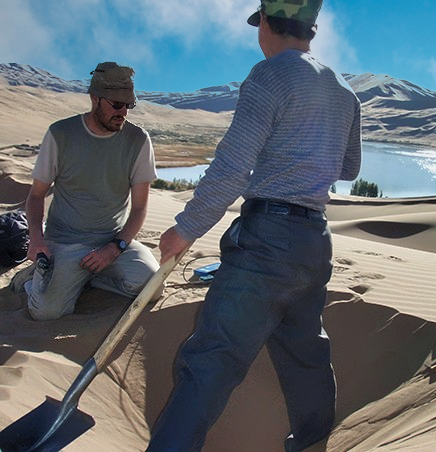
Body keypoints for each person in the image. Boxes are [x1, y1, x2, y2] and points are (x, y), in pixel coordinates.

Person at [149, 0, 361, 450]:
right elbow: (348, 167)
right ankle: (312, 442)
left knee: (210, 361)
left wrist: (187, 227)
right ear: (312, 29)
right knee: (306, 354)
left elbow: (231, 167)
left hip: (267, 240)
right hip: (313, 242)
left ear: (265, 22)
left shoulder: (269, 75)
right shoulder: (345, 91)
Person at [24, 62, 162, 321]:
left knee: (151, 287)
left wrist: (116, 246)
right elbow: (35, 196)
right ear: (94, 98)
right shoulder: (60, 134)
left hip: (112, 242)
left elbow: (140, 207)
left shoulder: (138, 140)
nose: (123, 112)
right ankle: (33, 282)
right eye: (116, 104)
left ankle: (85, 278)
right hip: (64, 242)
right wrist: (37, 239)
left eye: (128, 105)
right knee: (46, 312)